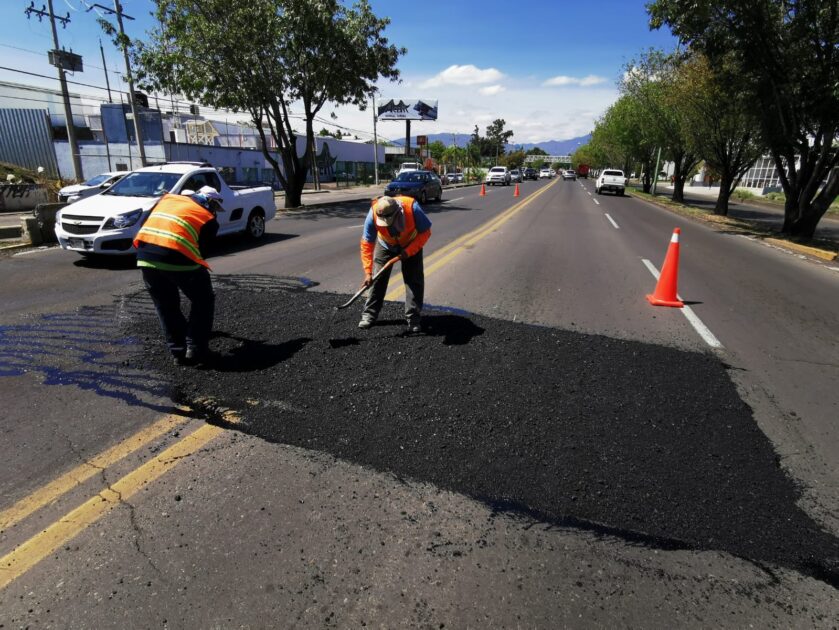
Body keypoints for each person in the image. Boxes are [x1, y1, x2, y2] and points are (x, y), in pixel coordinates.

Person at [134, 185, 222, 365]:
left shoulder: (168, 200)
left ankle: (178, 352)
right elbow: (201, 252)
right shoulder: (207, 218)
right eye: (216, 207)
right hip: (177, 258)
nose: (215, 211)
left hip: (146, 256)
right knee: (203, 300)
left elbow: (144, 222)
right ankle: (196, 348)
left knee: (166, 305)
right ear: (211, 202)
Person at [358, 195, 432, 333]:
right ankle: (369, 315)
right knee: (377, 280)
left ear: (398, 212)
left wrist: (408, 252)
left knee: (413, 281)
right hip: (385, 244)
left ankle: (413, 319)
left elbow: (426, 232)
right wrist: (367, 272)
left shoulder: (412, 207)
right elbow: (367, 243)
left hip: (411, 243)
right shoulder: (373, 213)